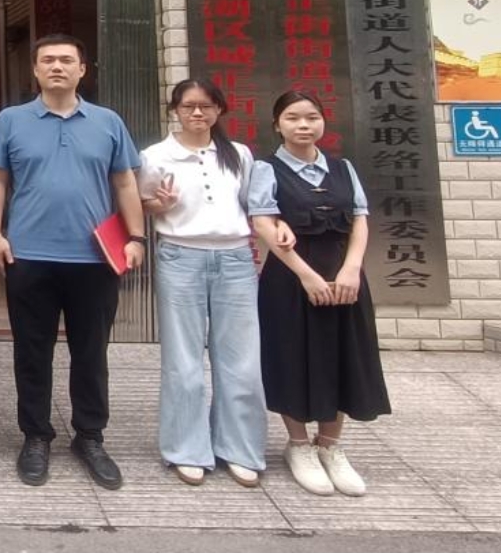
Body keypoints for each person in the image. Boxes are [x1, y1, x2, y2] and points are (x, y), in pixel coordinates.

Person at [0, 34, 146, 490]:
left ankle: (90, 436)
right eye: (48, 60)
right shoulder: (11, 121)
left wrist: (136, 237)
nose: (57, 67)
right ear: (35, 70)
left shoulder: (108, 122)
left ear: (82, 70)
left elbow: (125, 183)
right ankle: (36, 435)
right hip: (29, 255)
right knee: (31, 352)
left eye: (66, 60)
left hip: (94, 259)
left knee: (91, 352)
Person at [140, 78, 293, 488]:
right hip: (180, 256)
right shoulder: (155, 156)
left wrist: (277, 228)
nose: (197, 113)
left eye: (206, 106)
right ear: (174, 109)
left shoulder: (238, 154)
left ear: (219, 109)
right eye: (188, 106)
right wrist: (158, 205)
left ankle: (239, 448)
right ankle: (186, 449)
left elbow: (255, 207)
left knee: (241, 358)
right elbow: (139, 204)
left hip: (235, 258)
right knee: (183, 359)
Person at [247, 89, 392, 497]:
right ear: (277, 125)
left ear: (323, 121)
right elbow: (263, 223)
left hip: (344, 277)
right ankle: (298, 445)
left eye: (311, 117)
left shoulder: (343, 168)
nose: (303, 125)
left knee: (344, 355)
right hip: (290, 278)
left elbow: (360, 220)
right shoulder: (266, 169)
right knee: (292, 356)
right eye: (293, 118)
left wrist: (352, 268)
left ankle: (329, 445)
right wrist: (307, 276)